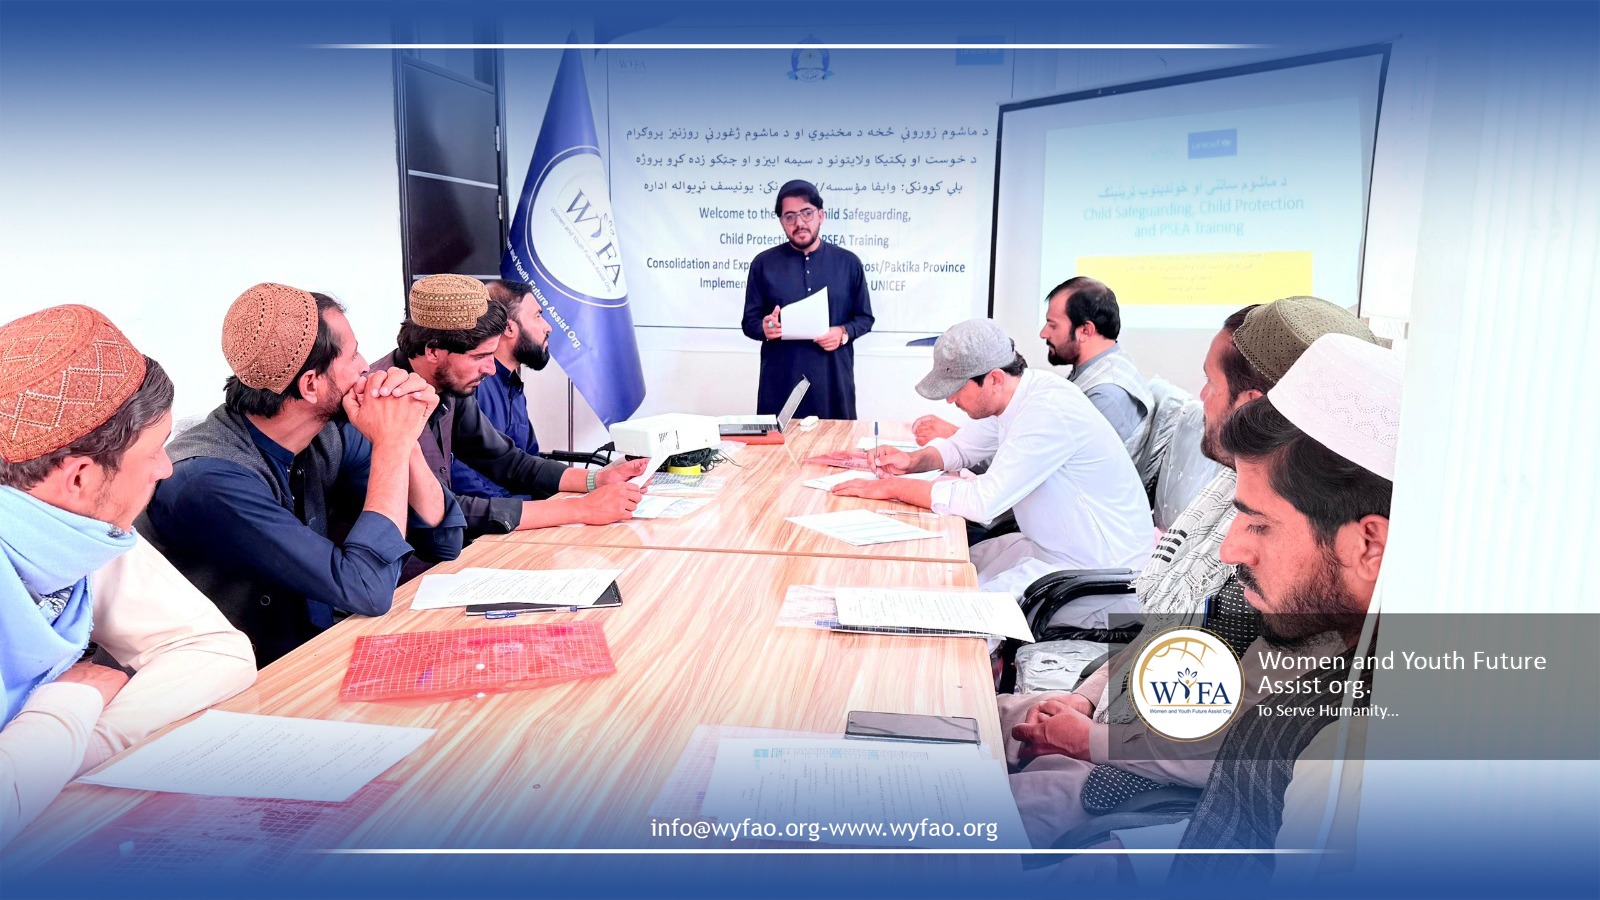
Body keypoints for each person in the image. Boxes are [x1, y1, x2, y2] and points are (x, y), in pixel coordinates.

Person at [1001, 297, 1381, 846]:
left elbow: (1236, 744)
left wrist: (1091, 740)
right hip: (1114, 716)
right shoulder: (1235, 493)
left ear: (1253, 406)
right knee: (950, 723)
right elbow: (1165, 631)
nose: (1230, 548)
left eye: (1209, 380)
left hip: (1136, 768)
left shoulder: (1304, 582)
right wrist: (1086, 696)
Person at [0, 305, 255, 846]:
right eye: (154, 450)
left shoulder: (74, 530)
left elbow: (217, 651)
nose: (166, 468)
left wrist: (70, 749)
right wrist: (69, 700)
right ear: (79, 477)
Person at [141, 283, 465, 665]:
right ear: (311, 384)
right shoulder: (208, 480)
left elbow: (443, 540)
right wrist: (391, 444)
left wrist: (404, 432)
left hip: (310, 658)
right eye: (353, 355)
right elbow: (366, 589)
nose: (366, 367)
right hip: (231, 686)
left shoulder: (327, 434)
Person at [833, 318, 1151, 593]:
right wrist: (912, 462)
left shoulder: (1048, 410)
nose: (950, 400)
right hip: (1049, 547)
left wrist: (892, 487)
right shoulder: (1012, 397)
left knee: (957, 605)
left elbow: (983, 502)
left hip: (1097, 568)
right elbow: (961, 447)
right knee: (944, 572)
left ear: (994, 379)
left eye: (956, 388)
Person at [371, 274, 647, 540]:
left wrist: (596, 480)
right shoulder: (381, 402)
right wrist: (581, 508)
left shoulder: (451, 384)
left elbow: (504, 460)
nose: (491, 369)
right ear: (433, 351)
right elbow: (434, 510)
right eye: (480, 356)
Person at [914, 277, 1152, 455]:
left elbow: (1037, 466)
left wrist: (956, 436)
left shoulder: (1107, 394)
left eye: (1052, 325)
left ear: (1085, 330)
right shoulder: (1093, 373)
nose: (1043, 333)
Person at [741, 179, 874, 420]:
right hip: (781, 381)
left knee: (836, 442)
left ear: (821, 215)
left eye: (807, 213)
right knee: (779, 443)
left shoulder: (848, 263)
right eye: (790, 216)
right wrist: (765, 327)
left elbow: (865, 318)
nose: (799, 223)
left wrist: (843, 332)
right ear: (781, 221)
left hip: (833, 381)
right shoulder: (763, 264)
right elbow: (749, 322)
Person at [448, 279, 551, 501]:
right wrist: (514, 509)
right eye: (537, 316)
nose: (547, 327)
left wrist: (588, 483)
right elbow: (458, 471)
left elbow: (528, 461)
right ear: (508, 328)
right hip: (492, 515)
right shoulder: (470, 385)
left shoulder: (513, 386)